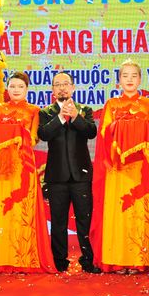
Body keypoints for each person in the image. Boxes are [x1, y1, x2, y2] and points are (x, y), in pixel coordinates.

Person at [91, 59, 149, 275]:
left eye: (134, 76)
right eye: (125, 76)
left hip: (140, 167)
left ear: (140, 79)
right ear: (119, 80)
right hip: (117, 168)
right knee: (118, 212)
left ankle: (138, 260)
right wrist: (122, 127)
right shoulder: (111, 104)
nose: (129, 80)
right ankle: (117, 260)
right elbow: (104, 134)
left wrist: (126, 126)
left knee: (139, 212)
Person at [0, 71, 56, 273]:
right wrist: (13, 132)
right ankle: (1, 259)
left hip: (23, 166)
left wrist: (14, 132)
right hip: (1, 168)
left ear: (27, 89)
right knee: (2, 211)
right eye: (13, 86)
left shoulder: (34, 110)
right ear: (7, 88)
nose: (16, 90)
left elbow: (33, 139)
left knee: (22, 211)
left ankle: (24, 257)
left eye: (20, 87)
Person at [38, 72, 101, 274]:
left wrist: (75, 117)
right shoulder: (46, 112)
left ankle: (88, 261)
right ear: (53, 89)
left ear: (73, 87)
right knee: (58, 221)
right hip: (56, 177)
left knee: (84, 219)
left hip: (81, 176)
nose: (62, 88)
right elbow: (43, 135)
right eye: (58, 85)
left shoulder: (84, 110)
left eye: (66, 84)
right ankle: (60, 262)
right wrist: (59, 117)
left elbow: (91, 132)